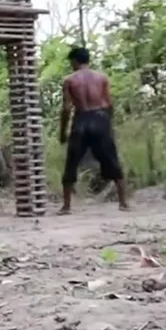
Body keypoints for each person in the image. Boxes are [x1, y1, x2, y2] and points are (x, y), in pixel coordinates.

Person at [59, 46, 129, 213]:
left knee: (72, 162)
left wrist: (63, 131)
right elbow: (110, 104)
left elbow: (67, 108)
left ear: (74, 61)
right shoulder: (102, 78)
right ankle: (123, 203)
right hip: (100, 117)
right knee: (112, 159)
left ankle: (66, 206)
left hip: (82, 119)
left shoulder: (69, 80)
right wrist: (108, 123)